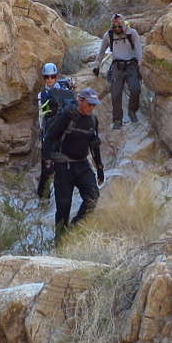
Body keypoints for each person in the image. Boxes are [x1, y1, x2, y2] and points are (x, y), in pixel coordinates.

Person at [41, 86, 104, 235]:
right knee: (63, 207)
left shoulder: (93, 120)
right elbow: (49, 138)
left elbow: (94, 145)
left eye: (94, 105)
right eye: (89, 104)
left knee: (93, 197)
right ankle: (60, 241)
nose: (92, 107)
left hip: (82, 164)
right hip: (64, 166)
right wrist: (48, 162)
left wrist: (100, 168)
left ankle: (73, 231)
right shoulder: (67, 116)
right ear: (80, 101)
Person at [94, 13, 143, 129]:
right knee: (115, 94)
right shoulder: (109, 35)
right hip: (117, 67)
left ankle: (132, 111)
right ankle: (117, 120)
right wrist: (97, 65)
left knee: (135, 89)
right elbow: (101, 51)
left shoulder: (132, 33)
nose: (117, 28)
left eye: (119, 26)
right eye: (114, 26)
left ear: (123, 24)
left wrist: (140, 62)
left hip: (131, 65)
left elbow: (138, 48)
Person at [34, 63, 74, 201]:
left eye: (52, 76)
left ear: (56, 76)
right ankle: (43, 196)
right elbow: (42, 115)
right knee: (46, 167)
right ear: (44, 78)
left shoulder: (63, 89)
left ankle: (63, 195)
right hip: (50, 131)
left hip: (63, 131)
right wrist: (43, 133)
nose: (50, 79)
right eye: (47, 77)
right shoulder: (42, 94)